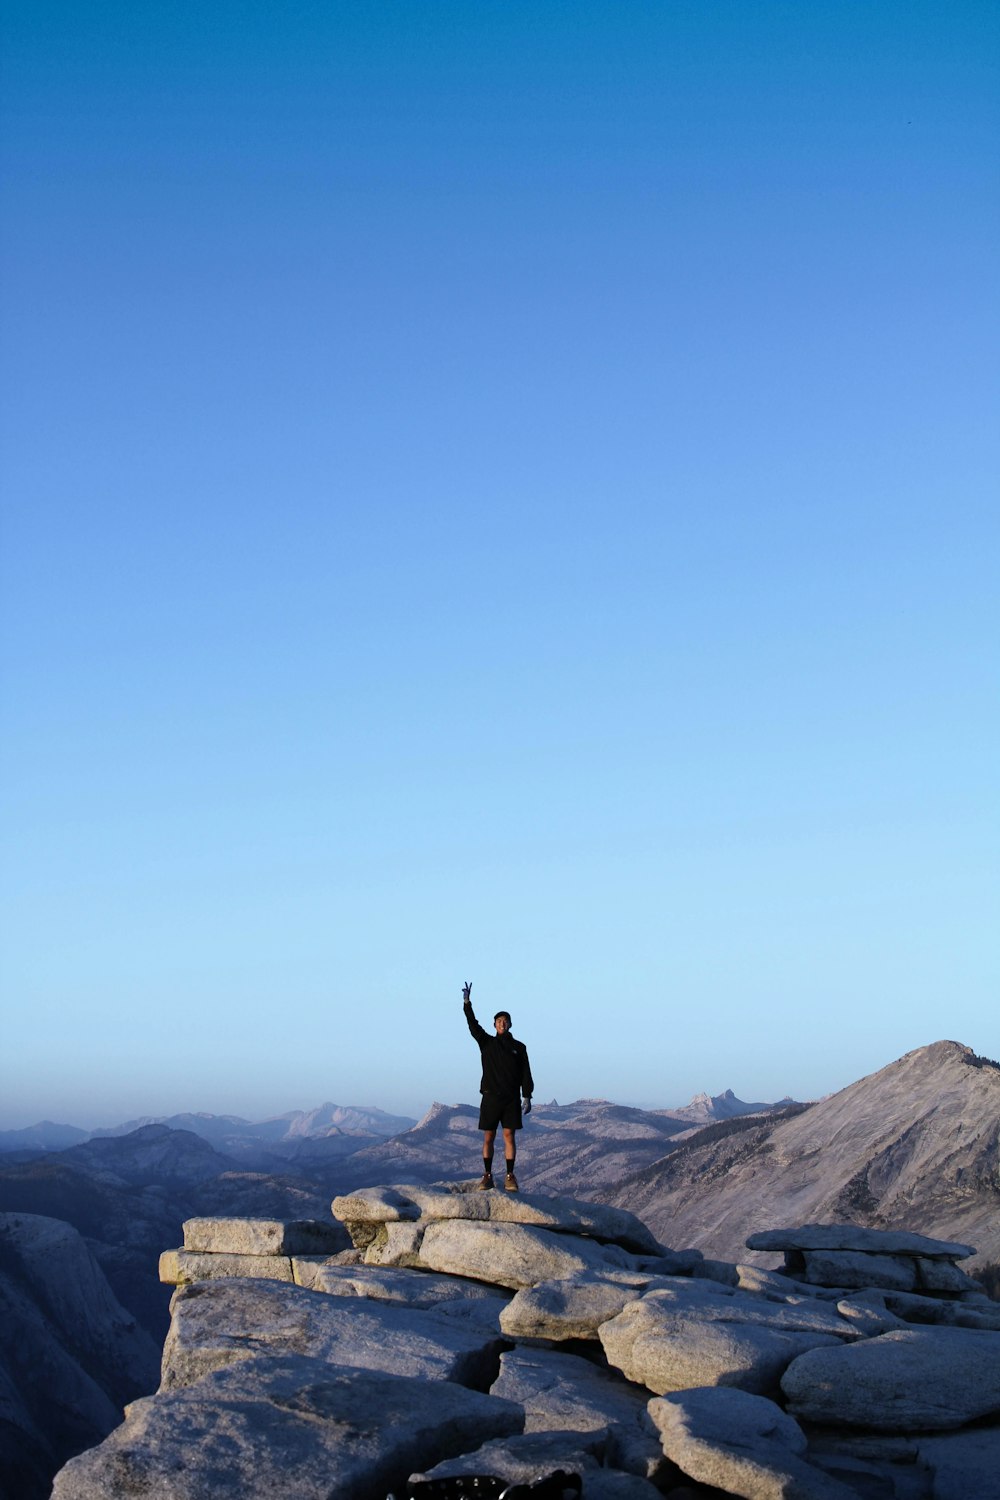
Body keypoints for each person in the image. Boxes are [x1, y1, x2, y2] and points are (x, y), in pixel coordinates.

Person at [462, 980, 534, 1191]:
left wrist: (527, 1095)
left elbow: (525, 1072)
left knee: (509, 1136)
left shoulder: (519, 1047)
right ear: (494, 1025)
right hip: (491, 1097)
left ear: (510, 1024)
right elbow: (472, 1025)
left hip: (510, 1098)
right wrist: (467, 1003)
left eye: (505, 1021)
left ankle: (510, 1176)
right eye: (498, 1021)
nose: (502, 1023)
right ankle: (487, 1175)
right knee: (489, 1136)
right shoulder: (487, 1043)